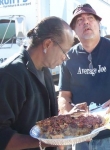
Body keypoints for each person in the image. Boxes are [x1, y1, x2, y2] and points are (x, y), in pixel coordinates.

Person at [58, 3, 110, 150]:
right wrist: (67, 114)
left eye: (90, 18)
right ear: (74, 30)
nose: (85, 22)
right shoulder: (69, 56)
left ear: (98, 24)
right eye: (79, 21)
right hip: (80, 137)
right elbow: (64, 95)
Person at [0, 16, 74, 150]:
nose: (65, 58)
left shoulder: (45, 70)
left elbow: (47, 118)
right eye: (65, 52)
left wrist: (71, 117)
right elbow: (2, 135)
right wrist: (45, 141)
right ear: (47, 44)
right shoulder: (11, 74)